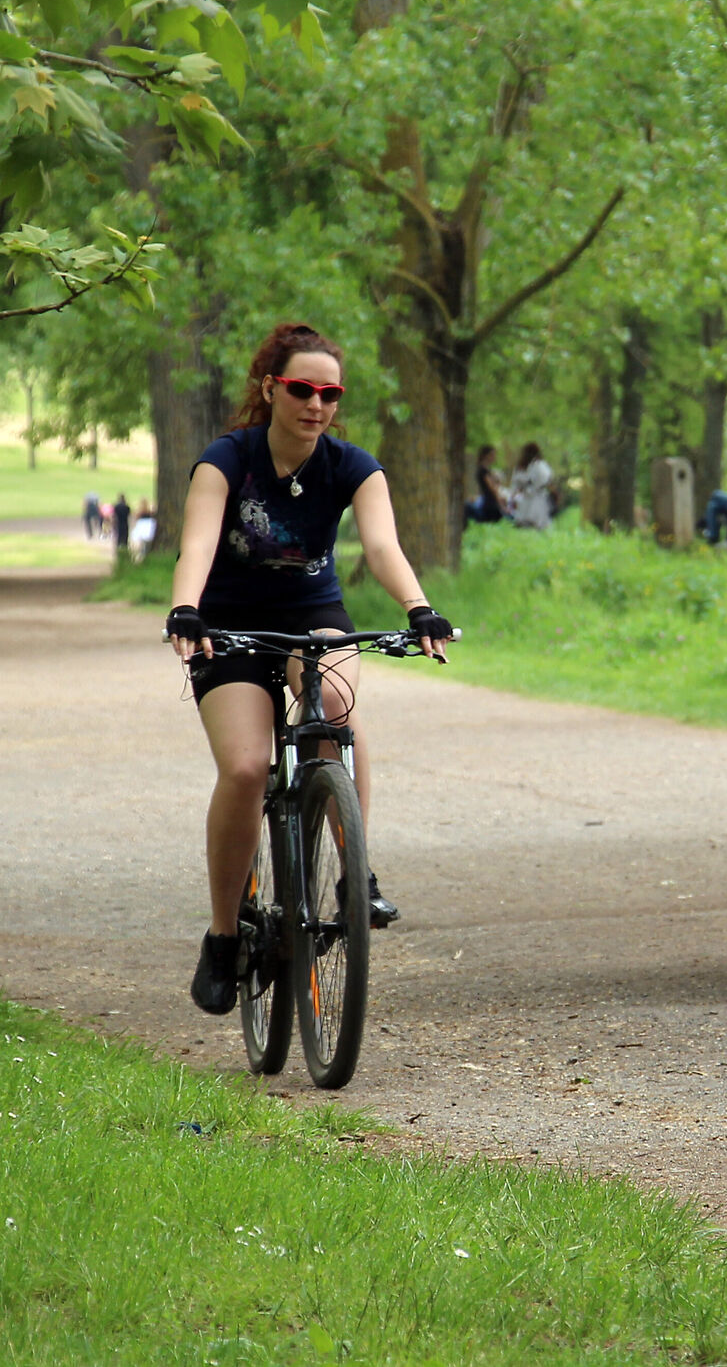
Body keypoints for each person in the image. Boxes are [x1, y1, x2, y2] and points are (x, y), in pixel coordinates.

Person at [163, 321, 457, 1017]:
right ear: (271, 389)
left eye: (330, 393)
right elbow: (197, 545)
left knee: (336, 712)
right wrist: (185, 609)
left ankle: (356, 872)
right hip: (228, 626)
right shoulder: (227, 459)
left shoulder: (353, 466)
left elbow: (382, 548)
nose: (315, 405)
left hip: (313, 617)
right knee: (242, 768)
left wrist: (418, 607)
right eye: (301, 389)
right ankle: (225, 935)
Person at [508, 443, 555, 530]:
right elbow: (547, 480)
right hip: (537, 497)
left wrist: (513, 497)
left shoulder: (522, 466)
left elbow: (516, 485)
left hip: (527, 497)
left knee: (526, 522)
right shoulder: (541, 465)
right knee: (538, 523)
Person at [465, 444, 508, 525]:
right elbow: (492, 488)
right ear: (487, 456)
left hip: (489, 501)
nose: (494, 457)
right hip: (490, 503)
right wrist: (501, 505)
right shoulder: (483, 471)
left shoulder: (485, 470)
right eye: (492, 455)